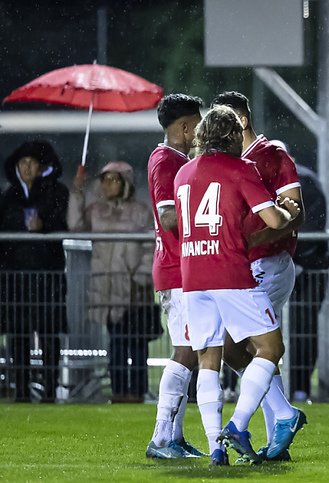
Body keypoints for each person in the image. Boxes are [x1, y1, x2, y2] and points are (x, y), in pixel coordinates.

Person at [174, 105, 300, 466]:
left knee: (208, 359)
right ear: (230, 136)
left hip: (193, 277)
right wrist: (287, 209)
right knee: (270, 347)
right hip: (230, 272)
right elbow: (274, 218)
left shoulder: (183, 173)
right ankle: (240, 425)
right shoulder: (240, 168)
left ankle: (216, 448)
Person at [211, 92, 306, 462]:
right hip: (236, 266)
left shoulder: (272, 155)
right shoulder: (223, 163)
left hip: (268, 263)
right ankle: (283, 422)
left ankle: (276, 427)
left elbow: (296, 214)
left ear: (243, 120)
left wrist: (254, 237)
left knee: (259, 348)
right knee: (237, 350)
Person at [145, 93, 204, 459]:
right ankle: (161, 439)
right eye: (197, 122)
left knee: (192, 352)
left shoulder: (175, 159)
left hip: (184, 268)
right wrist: (210, 222)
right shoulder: (166, 161)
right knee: (185, 351)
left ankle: (175, 437)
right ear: (185, 127)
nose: (200, 129)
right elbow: (168, 217)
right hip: (176, 269)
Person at [68, 160, 157, 403]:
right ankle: (119, 392)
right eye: (104, 180)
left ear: (125, 183)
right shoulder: (95, 210)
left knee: (137, 342)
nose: (108, 184)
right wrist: (76, 193)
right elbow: (76, 226)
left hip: (135, 288)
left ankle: (137, 392)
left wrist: (141, 275)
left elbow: (150, 247)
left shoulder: (140, 211)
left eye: (114, 179)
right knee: (116, 342)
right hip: (107, 286)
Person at [0, 140, 69, 403]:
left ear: (42, 166)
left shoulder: (57, 192)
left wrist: (45, 225)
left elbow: (64, 223)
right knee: (18, 335)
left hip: (48, 275)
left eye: (32, 163)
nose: (27, 168)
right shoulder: (9, 196)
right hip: (15, 277)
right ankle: (21, 390)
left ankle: (50, 390)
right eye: (23, 163)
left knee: (49, 332)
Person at [270, 142, 329, 404]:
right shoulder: (293, 178)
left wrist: (288, 251)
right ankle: (294, 388)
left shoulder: (303, 179)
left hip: (307, 265)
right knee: (290, 329)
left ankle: (299, 387)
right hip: (295, 262)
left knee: (302, 328)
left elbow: (312, 223)